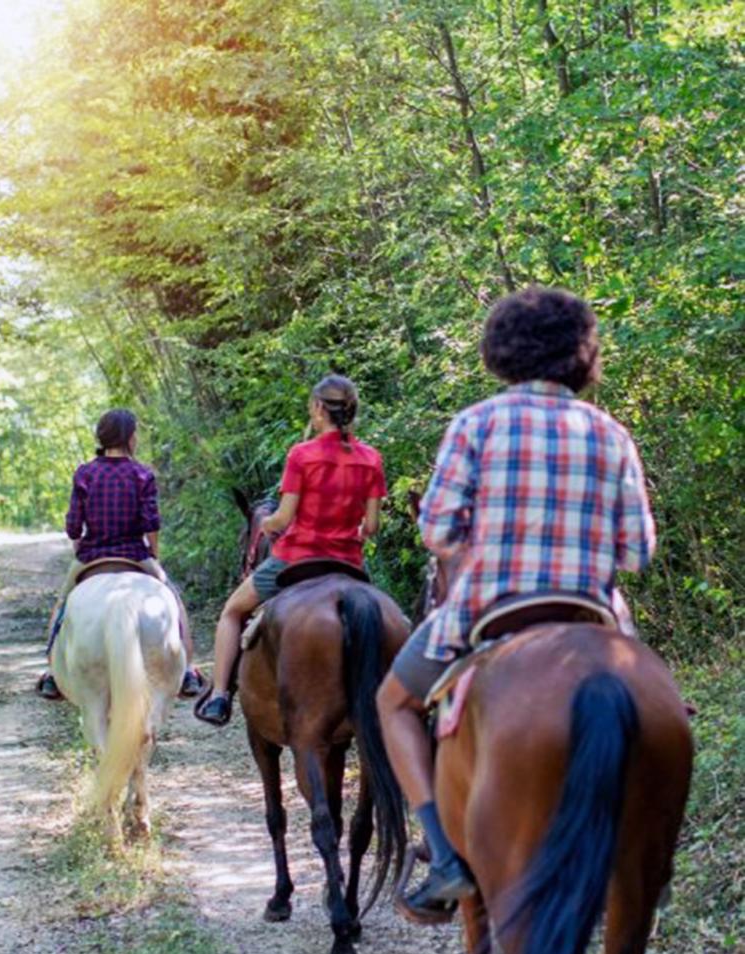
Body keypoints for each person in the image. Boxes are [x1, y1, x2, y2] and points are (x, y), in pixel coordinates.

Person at [376, 287, 656, 910]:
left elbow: (438, 530)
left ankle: (446, 856)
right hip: (593, 616)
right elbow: (637, 553)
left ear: (501, 351)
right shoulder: (611, 434)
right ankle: (640, 856)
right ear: (581, 355)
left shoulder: (475, 424)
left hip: (486, 612)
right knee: (656, 711)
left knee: (392, 702)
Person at [196, 375, 386, 726]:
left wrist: (267, 524)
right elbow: (371, 527)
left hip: (296, 559)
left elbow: (284, 516)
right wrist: (351, 530)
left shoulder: (302, 454)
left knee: (232, 612)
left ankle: (220, 695)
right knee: (390, 621)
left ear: (317, 409)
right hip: (349, 564)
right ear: (352, 412)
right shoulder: (371, 459)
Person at [37, 409, 202, 699]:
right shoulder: (142, 474)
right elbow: (151, 524)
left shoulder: (85, 473)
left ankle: (52, 671)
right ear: (130, 437)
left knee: (63, 602)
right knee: (173, 598)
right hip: (134, 553)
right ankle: (187, 669)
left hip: (91, 556)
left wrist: (80, 549)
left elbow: (74, 526)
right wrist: (154, 555)